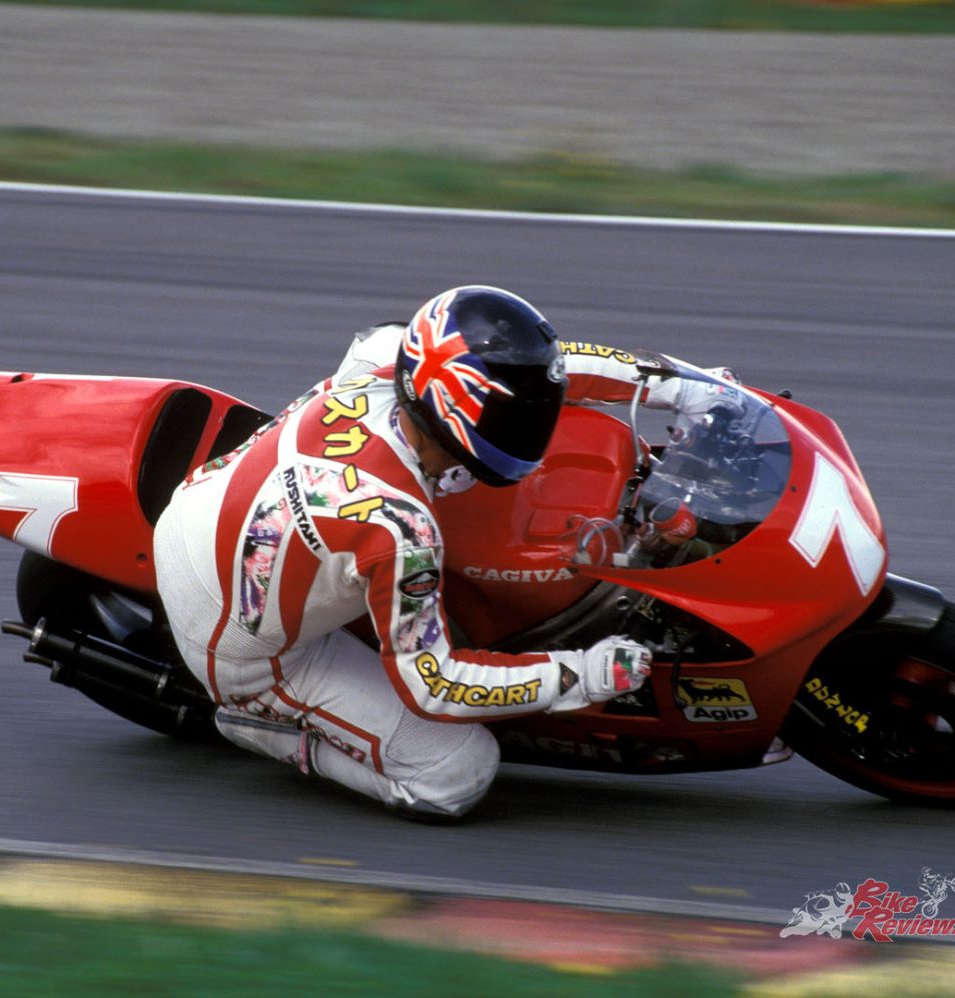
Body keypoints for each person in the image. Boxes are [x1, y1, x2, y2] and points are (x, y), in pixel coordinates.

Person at [152, 286, 656, 819]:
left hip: (200, 504)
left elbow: (541, 367)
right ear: (456, 414)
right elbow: (435, 686)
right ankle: (257, 724)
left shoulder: (395, 358)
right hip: (236, 645)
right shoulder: (401, 528)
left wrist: (679, 386)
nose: (536, 423)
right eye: (515, 416)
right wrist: (578, 676)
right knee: (458, 774)